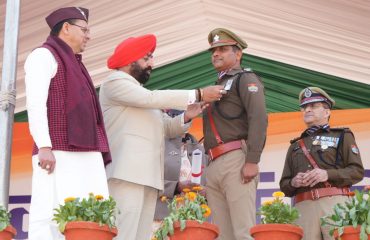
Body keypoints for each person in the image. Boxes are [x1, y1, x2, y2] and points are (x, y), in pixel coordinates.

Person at [99, 34, 224, 240]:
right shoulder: (114, 83)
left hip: (148, 176)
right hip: (127, 174)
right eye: (147, 58)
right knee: (123, 233)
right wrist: (198, 94)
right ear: (131, 60)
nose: (152, 64)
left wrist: (187, 115)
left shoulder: (139, 93)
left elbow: (167, 127)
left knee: (139, 236)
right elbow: (151, 98)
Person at [24, 7, 111, 240]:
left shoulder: (77, 63)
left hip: (86, 152)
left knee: (90, 217)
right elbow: (35, 104)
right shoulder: (43, 56)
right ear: (66, 28)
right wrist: (44, 146)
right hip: (56, 152)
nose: (88, 36)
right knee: (51, 217)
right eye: (84, 30)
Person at [203, 28, 268, 240]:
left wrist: (252, 160)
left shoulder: (245, 78)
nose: (216, 54)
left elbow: (258, 118)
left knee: (243, 231)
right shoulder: (215, 86)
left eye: (223, 49)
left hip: (236, 160)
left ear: (238, 54)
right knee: (222, 234)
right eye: (213, 50)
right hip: (214, 162)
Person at [280, 87, 364, 240]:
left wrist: (327, 174)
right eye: (304, 107)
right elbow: (284, 185)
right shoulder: (295, 145)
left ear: (327, 112)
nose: (307, 110)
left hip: (335, 204)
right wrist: (294, 181)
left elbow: (357, 171)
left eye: (313, 106)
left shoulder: (342, 136)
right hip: (303, 207)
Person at [153, 111, 208, 234]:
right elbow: (149, 183)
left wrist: (206, 191)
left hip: (193, 219)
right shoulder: (157, 146)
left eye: (186, 119)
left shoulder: (200, 149)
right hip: (161, 218)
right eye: (177, 118)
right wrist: (176, 187)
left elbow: (209, 182)